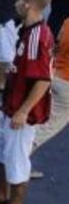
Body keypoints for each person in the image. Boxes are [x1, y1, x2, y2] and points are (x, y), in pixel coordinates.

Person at [0, 0, 54, 204]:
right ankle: (1, 200)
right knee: (2, 155)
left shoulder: (38, 36)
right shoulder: (25, 31)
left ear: (28, 4)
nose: (15, 3)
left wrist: (24, 110)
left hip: (20, 114)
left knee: (17, 162)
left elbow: (42, 79)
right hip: (11, 108)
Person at [33, 13, 69, 154]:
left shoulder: (67, 20)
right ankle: (18, 165)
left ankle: (21, 164)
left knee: (41, 118)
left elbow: (58, 42)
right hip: (66, 84)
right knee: (47, 127)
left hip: (54, 73)